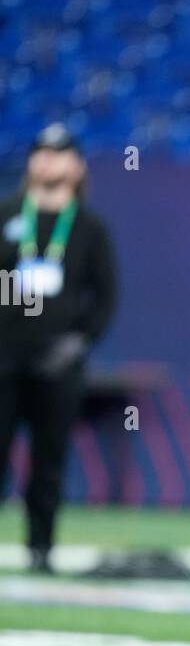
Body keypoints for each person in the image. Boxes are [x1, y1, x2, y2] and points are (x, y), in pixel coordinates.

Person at [0, 124, 118, 572]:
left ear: (77, 165)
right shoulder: (8, 214)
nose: (49, 161)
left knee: (49, 458)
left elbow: (105, 296)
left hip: (58, 363)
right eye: (42, 153)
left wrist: (77, 343)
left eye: (60, 153)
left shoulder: (89, 228)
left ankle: (40, 550)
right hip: (5, 357)